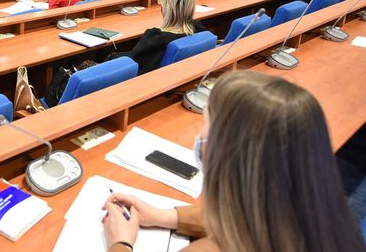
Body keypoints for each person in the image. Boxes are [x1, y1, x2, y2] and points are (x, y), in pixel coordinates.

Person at [103, 71, 366, 252]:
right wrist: (164, 216)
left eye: (205, 123)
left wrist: (121, 243)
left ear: (228, 153)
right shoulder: (318, 217)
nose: (199, 136)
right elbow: (248, 218)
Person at [108, 0, 206, 74]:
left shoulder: (156, 39)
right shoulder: (198, 28)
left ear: (166, 7)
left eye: (161, 1)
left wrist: (110, 56)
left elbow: (133, 61)